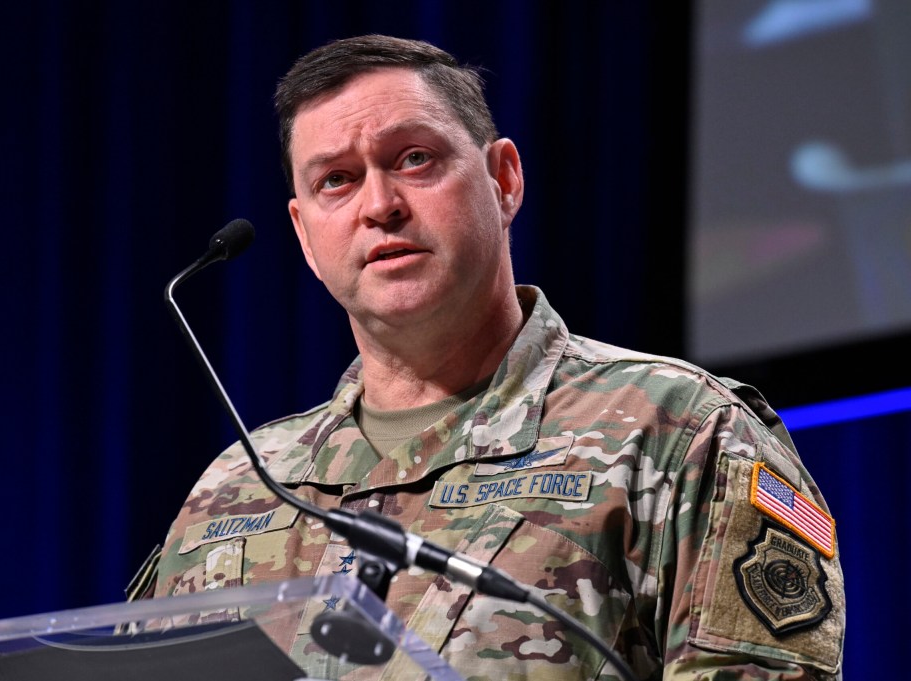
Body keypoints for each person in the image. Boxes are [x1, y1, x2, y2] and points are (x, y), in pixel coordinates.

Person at [143, 35, 845, 679]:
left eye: (413, 159)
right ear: (305, 235)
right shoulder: (235, 487)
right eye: (336, 180)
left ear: (504, 179)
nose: (379, 205)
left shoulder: (681, 433)